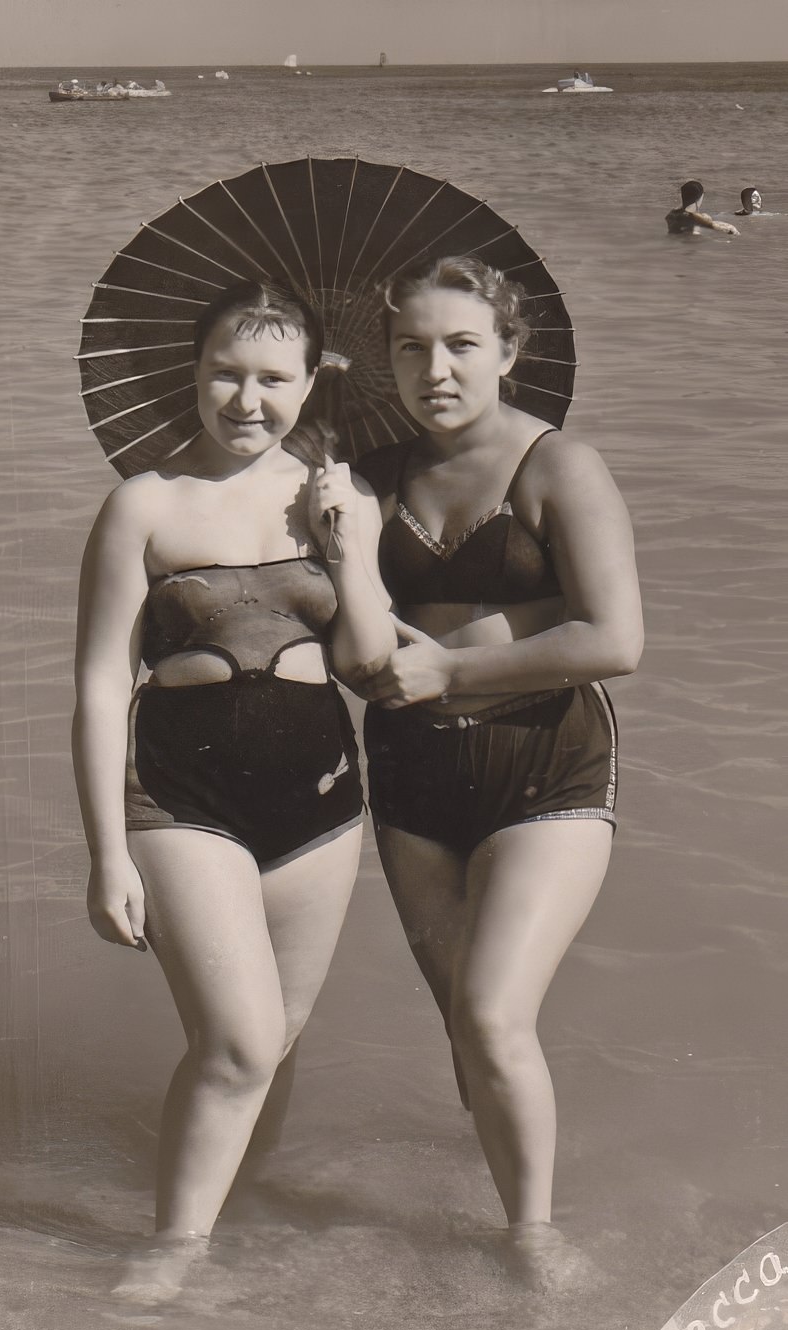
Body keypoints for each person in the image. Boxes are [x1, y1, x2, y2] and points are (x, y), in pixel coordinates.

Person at [72, 280, 395, 1302]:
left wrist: (355, 549)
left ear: (311, 383)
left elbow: (366, 660)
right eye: (225, 370)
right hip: (180, 798)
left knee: (275, 1039)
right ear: (194, 370)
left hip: (323, 801)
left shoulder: (334, 495)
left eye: (271, 376)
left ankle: (231, 1210)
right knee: (240, 1039)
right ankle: (171, 1249)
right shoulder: (146, 504)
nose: (245, 396)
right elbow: (97, 683)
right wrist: (107, 852)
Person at [356, 255, 644, 1249]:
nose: (435, 368)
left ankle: (535, 1244)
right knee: (464, 1026)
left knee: (489, 1012)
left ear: (509, 351)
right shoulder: (366, 477)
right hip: (410, 775)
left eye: (461, 345)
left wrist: (453, 675)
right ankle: (486, 1194)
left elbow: (616, 638)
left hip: (546, 763)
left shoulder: (563, 464)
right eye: (411, 348)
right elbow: (351, 644)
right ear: (384, 361)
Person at [665, 180, 739, 236]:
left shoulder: (672, 214)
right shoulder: (699, 218)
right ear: (699, 198)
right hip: (692, 244)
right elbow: (726, 230)